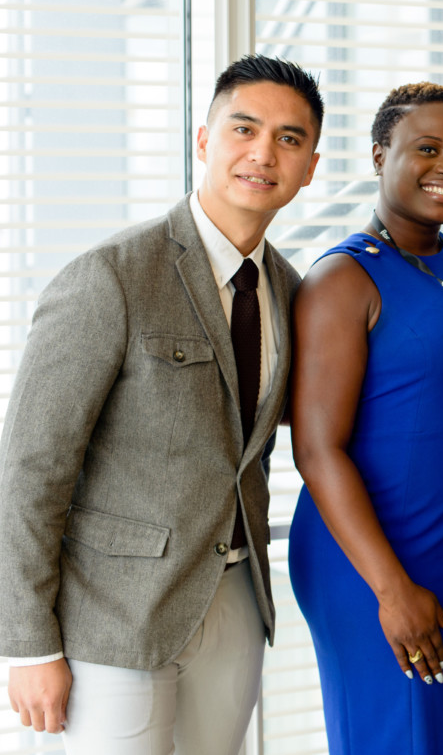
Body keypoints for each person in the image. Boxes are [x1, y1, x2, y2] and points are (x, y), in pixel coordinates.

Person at [0, 54, 322, 752]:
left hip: (236, 601)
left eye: (289, 139)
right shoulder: (111, 276)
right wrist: (26, 645)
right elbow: (30, 468)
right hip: (112, 616)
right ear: (204, 141)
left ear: (309, 168)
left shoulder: (293, 292)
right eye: (244, 129)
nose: (263, 153)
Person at [287, 82, 443, 754]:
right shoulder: (343, 279)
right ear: (378, 154)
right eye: (427, 148)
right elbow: (316, 449)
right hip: (374, 561)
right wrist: (391, 590)